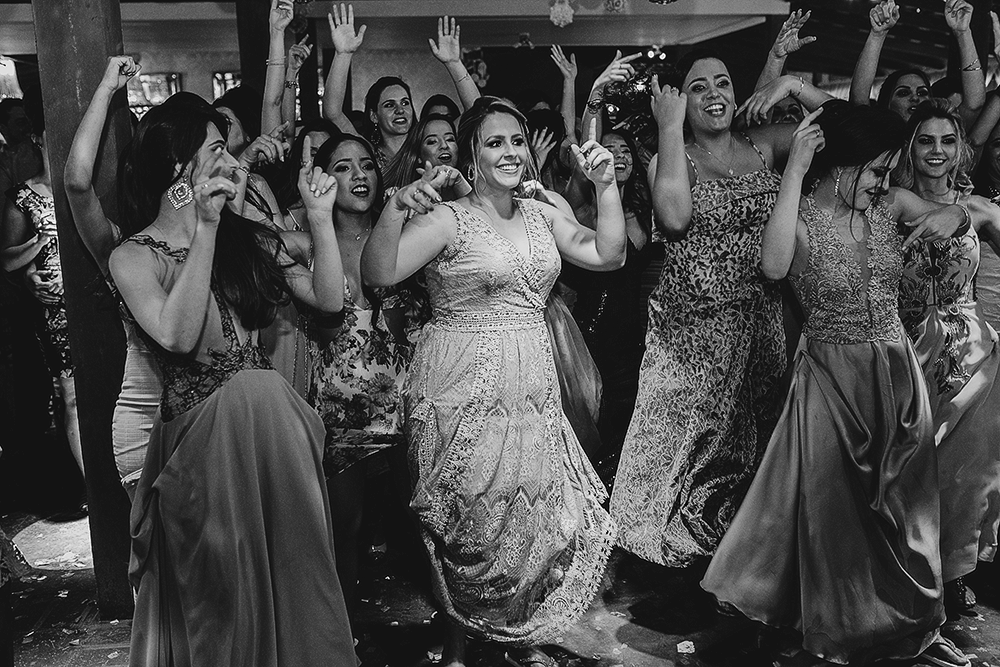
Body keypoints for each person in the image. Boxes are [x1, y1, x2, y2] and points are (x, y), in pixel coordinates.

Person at [703, 101, 970, 667]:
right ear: (841, 165)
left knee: (908, 511)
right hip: (829, 380)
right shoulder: (798, 220)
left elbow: (958, 215)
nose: (883, 180)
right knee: (836, 518)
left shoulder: (890, 205)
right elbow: (774, 267)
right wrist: (795, 170)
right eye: (874, 169)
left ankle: (916, 623)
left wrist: (961, 215)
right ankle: (841, 630)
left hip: (897, 379)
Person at [361, 96, 623, 667]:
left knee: (529, 514)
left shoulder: (543, 212)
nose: (509, 152)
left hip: (530, 385)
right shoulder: (447, 218)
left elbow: (607, 253)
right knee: (466, 517)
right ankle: (457, 646)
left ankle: (515, 636)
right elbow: (378, 273)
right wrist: (393, 210)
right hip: (460, 382)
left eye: (516, 141)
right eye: (494, 142)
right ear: (473, 155)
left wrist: (605, 188)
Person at [110, 95, 355, 666]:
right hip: (203, 450)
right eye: (218, 149)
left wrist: (319, 221)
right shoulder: (135, 256)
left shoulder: (248, 236)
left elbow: (328, 298)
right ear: (179, 167)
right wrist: (207, 227)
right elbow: (176, 335)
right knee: (223, 593)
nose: (233, 162)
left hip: (272, 441)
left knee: (298, 570)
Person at [610, 52, 831, 568]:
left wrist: (791, 85)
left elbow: (856, 125)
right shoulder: (670, 152)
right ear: (680, 101)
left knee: (752, 439)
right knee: (685, 444)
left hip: (759, 318)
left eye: (723, 82)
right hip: (691, 327)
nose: (714, 94)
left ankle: (743, 554)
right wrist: (668, 126)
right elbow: (675, 217)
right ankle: (678, 557)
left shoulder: (767, 142)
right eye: (698, 87)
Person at [896, 98, 1000, 618]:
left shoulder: (976, 205)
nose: (937, 151)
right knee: (913, 467)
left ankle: (956, 573)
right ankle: (912, 572)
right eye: (925, 140)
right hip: (902, 347)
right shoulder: (886, 200)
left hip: (970, 350)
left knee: (967, 471)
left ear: (961, 149)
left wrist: (972, 211)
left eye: (947, 140)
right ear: (910, 148)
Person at [303, 132, 414, 616]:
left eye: (366, 164)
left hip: (408, 400)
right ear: (323, 178)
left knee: (419, 522)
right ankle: (343, 635)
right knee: (343, 529)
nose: (360, 175)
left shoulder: (406, 233)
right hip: (337, 408)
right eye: (343, 167)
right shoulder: (305, 243)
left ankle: (441, 627)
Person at [63, 55, 153, 497]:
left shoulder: (211, 228)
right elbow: (78, 184)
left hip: (207, 414)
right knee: (156, 556)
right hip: (141, 416)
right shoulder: (121, 245)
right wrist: (104, 89)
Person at [0, 96, 85, 480]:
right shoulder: (22, 196)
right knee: (71, 395)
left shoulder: (86, 185)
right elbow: (7, 259)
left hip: (94, 300)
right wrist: (39, 244)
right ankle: (91, 486)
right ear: (40, 139)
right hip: (54, 310)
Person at [563, 128, 653, 473]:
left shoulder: (645, 210)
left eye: (625, 149)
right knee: (604, 409)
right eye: (609, 148)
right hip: (597, 326)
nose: (618, 155)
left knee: (632, 410)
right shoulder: (586, 210)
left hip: (634, 329)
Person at [322, 5, 479, 168]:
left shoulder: (429, 143)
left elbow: (476, 109)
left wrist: (454, 63)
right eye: (390, 105)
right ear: (374, 116)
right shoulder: (366, 152)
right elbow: (332, 113)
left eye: (405, 102)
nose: (400, 110)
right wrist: (343, 54)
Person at [850, 0, 984, 125]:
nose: (915, 98)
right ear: (886, 103)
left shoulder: (944, 131)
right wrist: (877, 35)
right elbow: (858, 102)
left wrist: (963, 33)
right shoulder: (877, 139)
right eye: (903, 93)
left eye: (922, 93)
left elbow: (974, 105)